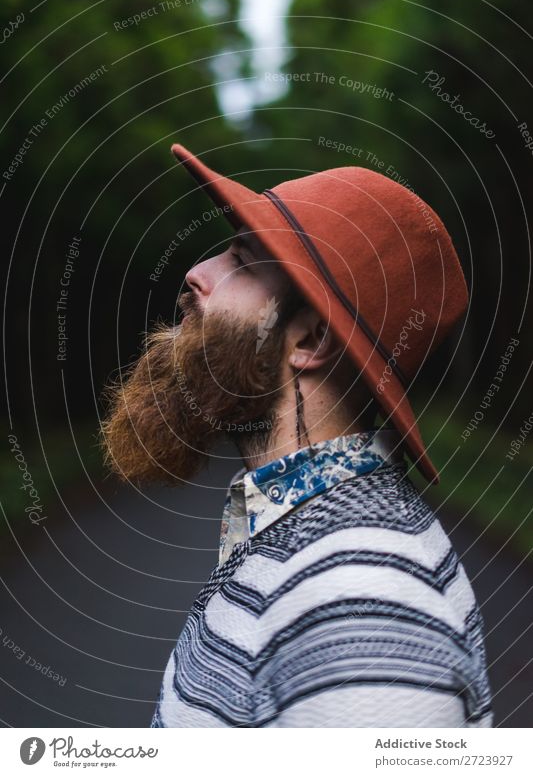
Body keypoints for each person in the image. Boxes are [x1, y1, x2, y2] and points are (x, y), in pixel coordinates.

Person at [100, 144, 493, 728]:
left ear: (308, 341)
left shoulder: (361, 601)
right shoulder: (301, 536)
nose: (197, 272)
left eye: (243, 260)